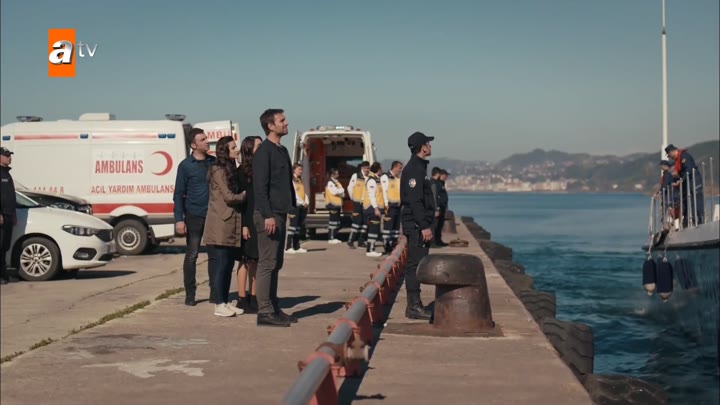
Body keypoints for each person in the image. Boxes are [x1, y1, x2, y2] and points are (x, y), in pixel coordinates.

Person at [253, 108, 298, 327]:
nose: (286, 123)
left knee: (276, 263)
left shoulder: (282, 150)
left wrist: (291, 207)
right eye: (282, 120)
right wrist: (268, 215)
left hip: (280, 212)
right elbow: (260, 187)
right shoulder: (264, 152)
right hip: (268, 215)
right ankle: (264, 312)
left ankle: (273, 307)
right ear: (270, 126)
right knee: (267, 263)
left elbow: (286, 183)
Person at [203, 136, 247, 317]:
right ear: (224, 150)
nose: (237, 150)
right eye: (233, 147)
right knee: (221, 264)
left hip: (231, 222)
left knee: (228, 264)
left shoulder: (231, 168)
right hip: (220, 223)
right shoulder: (217, 169)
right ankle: (218, 303)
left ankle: (225, 301)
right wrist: (245, 195)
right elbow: (228, 196)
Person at [173, 128, 216, 306]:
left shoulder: (213, 162)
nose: (207, 141)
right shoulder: (185, 166)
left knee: (215, 255)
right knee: (192, 255)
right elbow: (178, 194)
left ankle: (215, 292)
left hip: (213, 216)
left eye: (206, 138)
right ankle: (190, 294)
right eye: (203, 139)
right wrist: (179, 219)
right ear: (193, 145)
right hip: (194, 215)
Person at [400, 131, 436, 320]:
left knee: (417, 263)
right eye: (428, 143)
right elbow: (415, 201)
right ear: (423, 147)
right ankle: (413, 306)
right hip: (415, 225)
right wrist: (423, 226)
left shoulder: (419, 167)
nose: (430, 146)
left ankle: (414, 304)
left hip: (417, 223)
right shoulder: (414, 169)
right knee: (415, 264)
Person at [235, 135, 263, 313]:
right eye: (258, 146)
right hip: (247, 220)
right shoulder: (241, 173)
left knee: (256, 260)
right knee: (245, 260)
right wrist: (244, 225)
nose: (262, 148)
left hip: (259, 218)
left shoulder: (260, 169)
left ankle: (254, 297)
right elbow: (242, 202)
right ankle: (241, 298)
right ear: (249, 149)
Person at [666, 144, 705, 225]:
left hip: (694, 181)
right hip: (688, 183)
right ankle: (689, 220)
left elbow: (688, 169)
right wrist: (678, 178)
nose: (670, 157)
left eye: (669, 155)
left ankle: (699, 219)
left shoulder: (684, 156)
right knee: (689, 201)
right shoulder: (678, 160)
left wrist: (681, 179)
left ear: (672, 152)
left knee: (696, 200)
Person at [0, 147, 19, 284]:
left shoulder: (7, 174)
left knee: (4, 247)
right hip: (2, 216)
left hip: (8, 215)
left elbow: (11, 196)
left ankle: (4, 274)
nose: (9, 158)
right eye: (6, 155)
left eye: (10, 155)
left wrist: (14, 214)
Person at [380, 161, 403, 254]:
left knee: (396, 227)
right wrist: (386, 204)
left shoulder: (398, 178)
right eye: (400, 168)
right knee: (388, 226)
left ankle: (394, 243)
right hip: (390, 206)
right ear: (395, 167)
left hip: (398, 205)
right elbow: (384, 191)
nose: (401, 170)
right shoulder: (385, 177)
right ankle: (387, 245)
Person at [363, 162, 384, 257]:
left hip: (375, 208)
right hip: (372, 209)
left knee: (374, 230)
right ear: (378, 169)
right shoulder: (372, 180)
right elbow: (371, 196)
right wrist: (376, 208)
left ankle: (371, 249)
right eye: (381, 168)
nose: (382, 170)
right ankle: (370, 250)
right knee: (373, 230)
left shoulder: (376, 179)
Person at [347, 161, 370, 249]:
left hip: (366, 203)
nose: (367, 170)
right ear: (362, 168)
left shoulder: (370, 177)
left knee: (365, 223)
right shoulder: (356, 176)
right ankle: (350, 241)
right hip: (357, 203)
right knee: (357, 222)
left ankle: (361, 241)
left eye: (368, 168)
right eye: (365, 168)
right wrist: (353, 198)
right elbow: (350, 187)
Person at [286, 163, 309, 254]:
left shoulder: (299, 180)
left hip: (301, 206)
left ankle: (296, 246)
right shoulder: (291, 180)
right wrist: (301, 202)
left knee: (298, 227)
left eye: (301, 169)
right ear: (294, 170)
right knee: (293, 226)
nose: (301, 171)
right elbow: (294, 193)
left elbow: (303, 192)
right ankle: (288, 247)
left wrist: (306, 201)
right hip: (294, 206)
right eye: (299, 169)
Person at [325, 168, 345, 244]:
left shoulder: (337, 182)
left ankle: (335, 237)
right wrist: (341, 190)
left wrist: (341, 191)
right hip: (332, 204)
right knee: (332, 222)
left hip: (337, 205)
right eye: (336, 174)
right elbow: (334, 192)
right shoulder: (330, 182)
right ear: (332, 174)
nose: (338, 175)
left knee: (336, 222)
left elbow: (343, 193)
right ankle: (331, 237)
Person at [433, 169, 450, 246]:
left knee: (440, 225)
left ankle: (439, 240)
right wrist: (436, 208)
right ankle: (435, 241)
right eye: (445, 175)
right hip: (439, 208)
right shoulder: (437, 183)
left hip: (443, 207)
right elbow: (435, 196)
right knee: (436, 225)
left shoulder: (442, 183)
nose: (446, 177)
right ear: (441, 175)